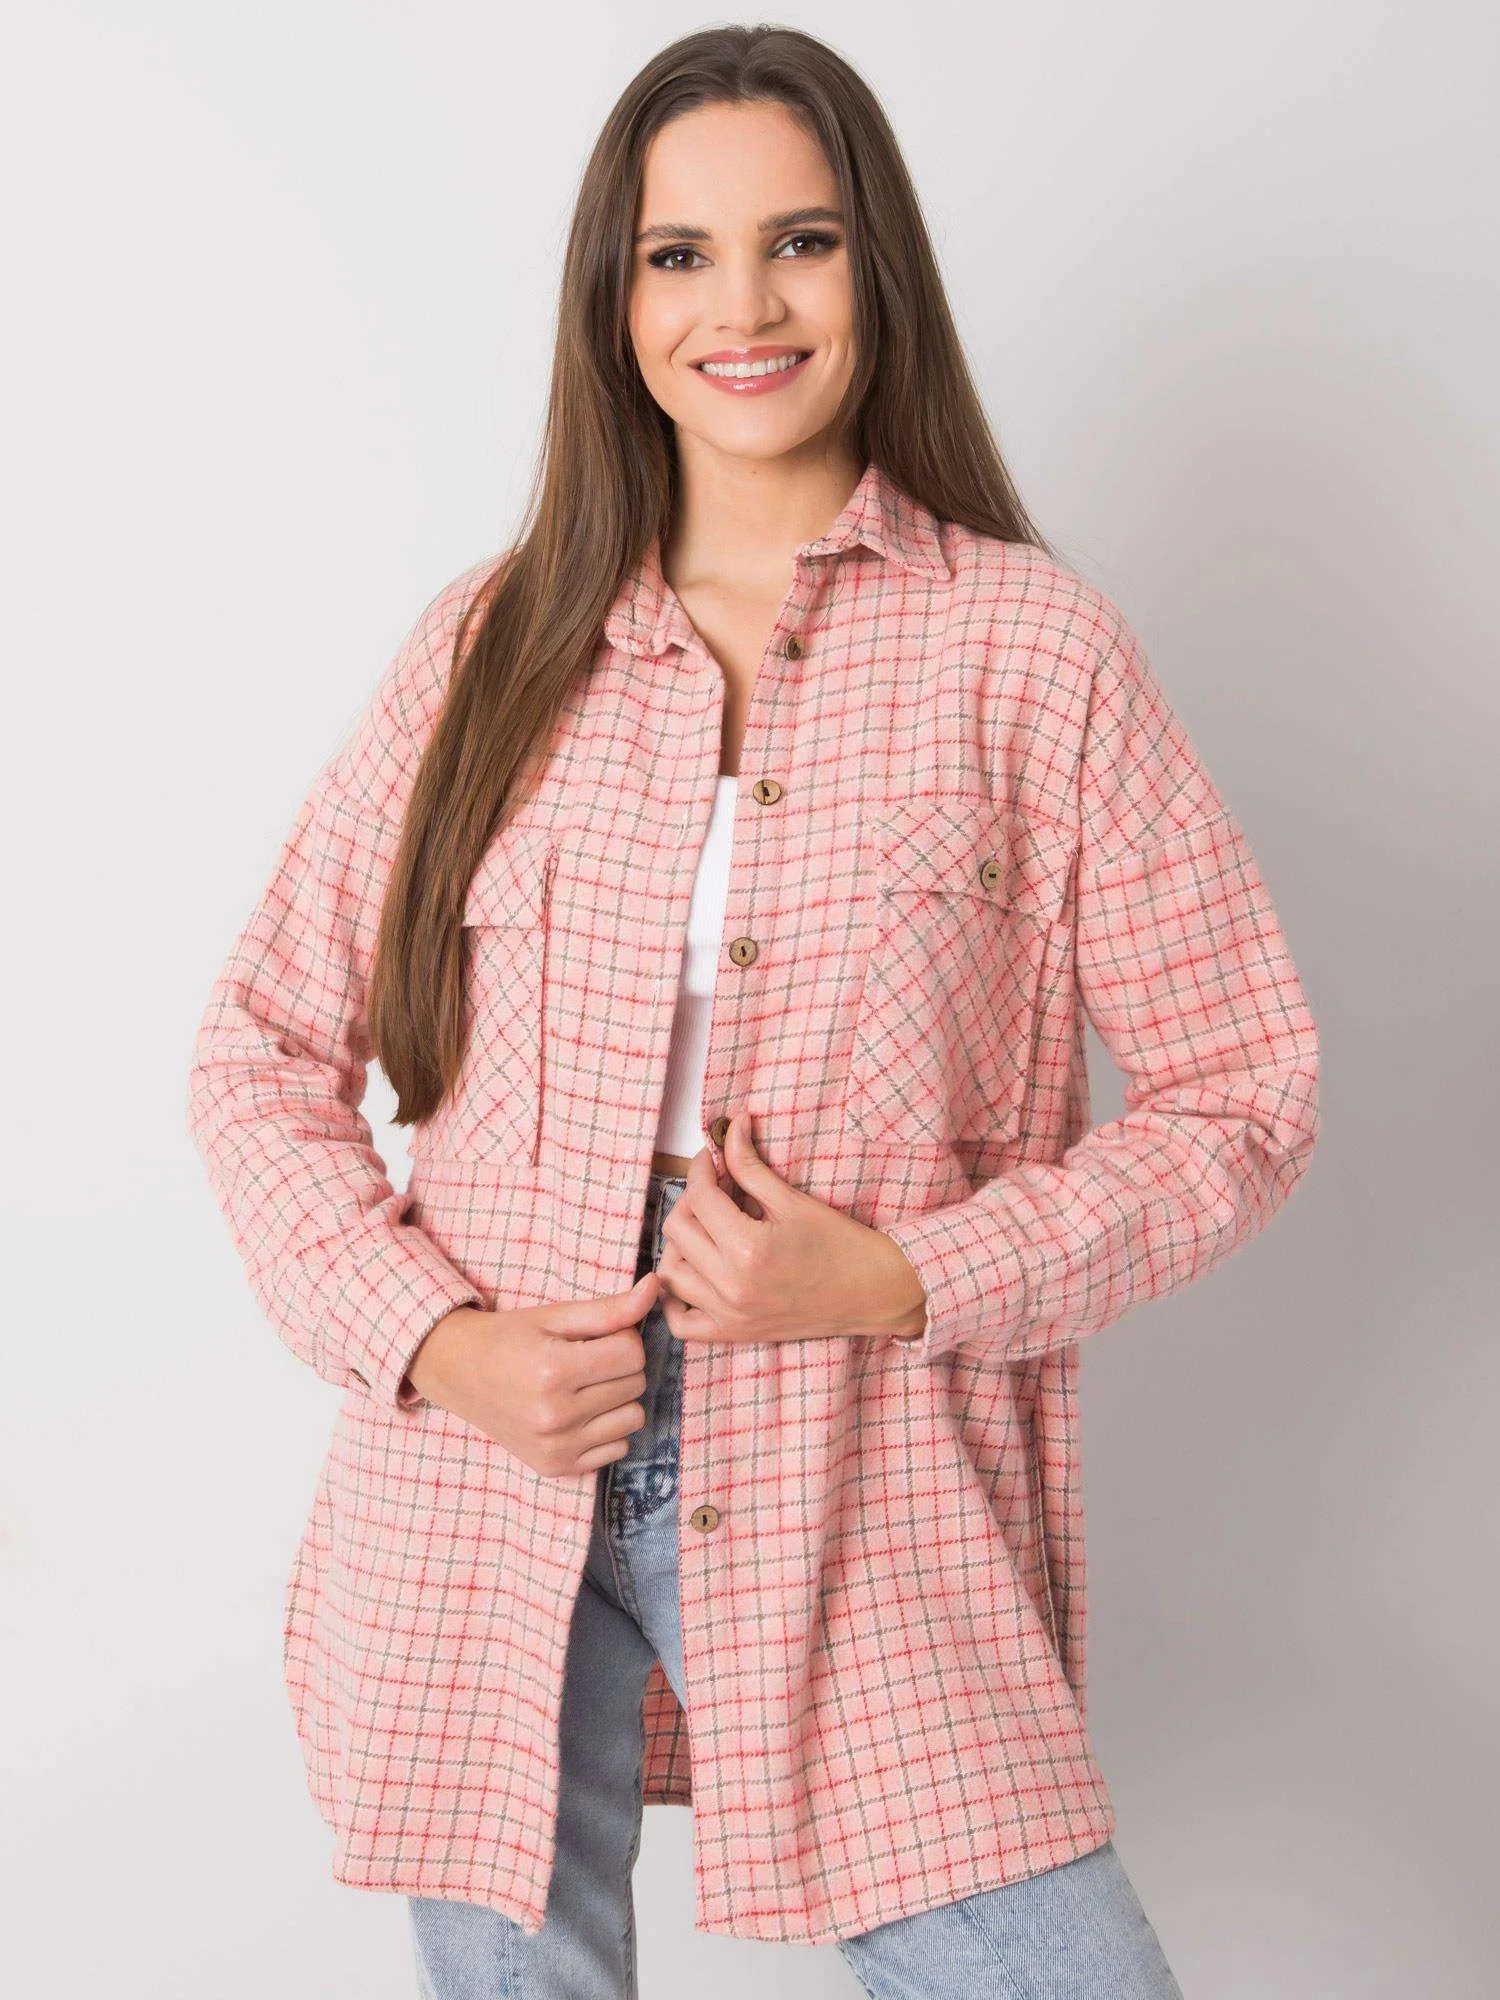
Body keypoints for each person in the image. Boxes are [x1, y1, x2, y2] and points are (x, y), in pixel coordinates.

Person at [186, 24, 1319, 1999]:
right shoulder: (488, 648)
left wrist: (906, 1276)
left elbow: (1247, 1092)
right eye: (678, 255)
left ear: (877, 266)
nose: (745, 306)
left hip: (859, 1450)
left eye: (799, 241)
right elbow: (257, 1053)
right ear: (615, 303)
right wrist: (435, 1341)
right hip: (488, 1461)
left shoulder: (1028, 652)